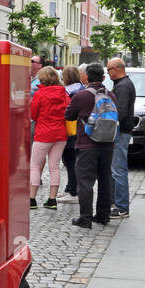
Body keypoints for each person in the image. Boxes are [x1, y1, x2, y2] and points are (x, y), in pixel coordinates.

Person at [65, 63, 114, 228]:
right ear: (103, 78)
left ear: (86, 77)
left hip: (87, 144)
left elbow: (69, 116)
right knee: (105, 179)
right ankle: (103, 215)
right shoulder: (111, 95)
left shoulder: (81, 96)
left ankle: (85, 218)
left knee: (85, 182)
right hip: (108, 144)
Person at [28, 66, 69, 208]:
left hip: (43, 134)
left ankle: (32, 199)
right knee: (55, 166)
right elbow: (68, 112)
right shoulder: (64, 93)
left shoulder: (40, 94)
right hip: (60, 134)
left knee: (34, 165)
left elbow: (33, 114)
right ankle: (52, 200)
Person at [106, 58, 136, 218]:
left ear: (117, 69)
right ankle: (115, 202)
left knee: (118, 170)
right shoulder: (123, 84)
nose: (108, 72)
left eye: (109, 69)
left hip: (120, 131)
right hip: (121, 131)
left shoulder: (123, 86)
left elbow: (121, 111)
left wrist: (110, 125)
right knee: (116, 169)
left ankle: (122, 206)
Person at [59, 65, 85, 200]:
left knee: (70, 160)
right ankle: (70, 187)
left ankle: (73, 191)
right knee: (72, 159)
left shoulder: (68, 92)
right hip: (79, 129)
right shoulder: (82, 89)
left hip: (70, 129)